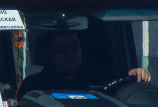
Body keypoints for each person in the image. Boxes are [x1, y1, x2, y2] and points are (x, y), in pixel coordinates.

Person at [20, 30, 150, 95]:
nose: (70, 53)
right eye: (61, 48)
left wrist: (135, 76)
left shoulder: (102, 78)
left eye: (74, 46)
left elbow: (123, 95)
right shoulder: (33, 86)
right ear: (46, 54)